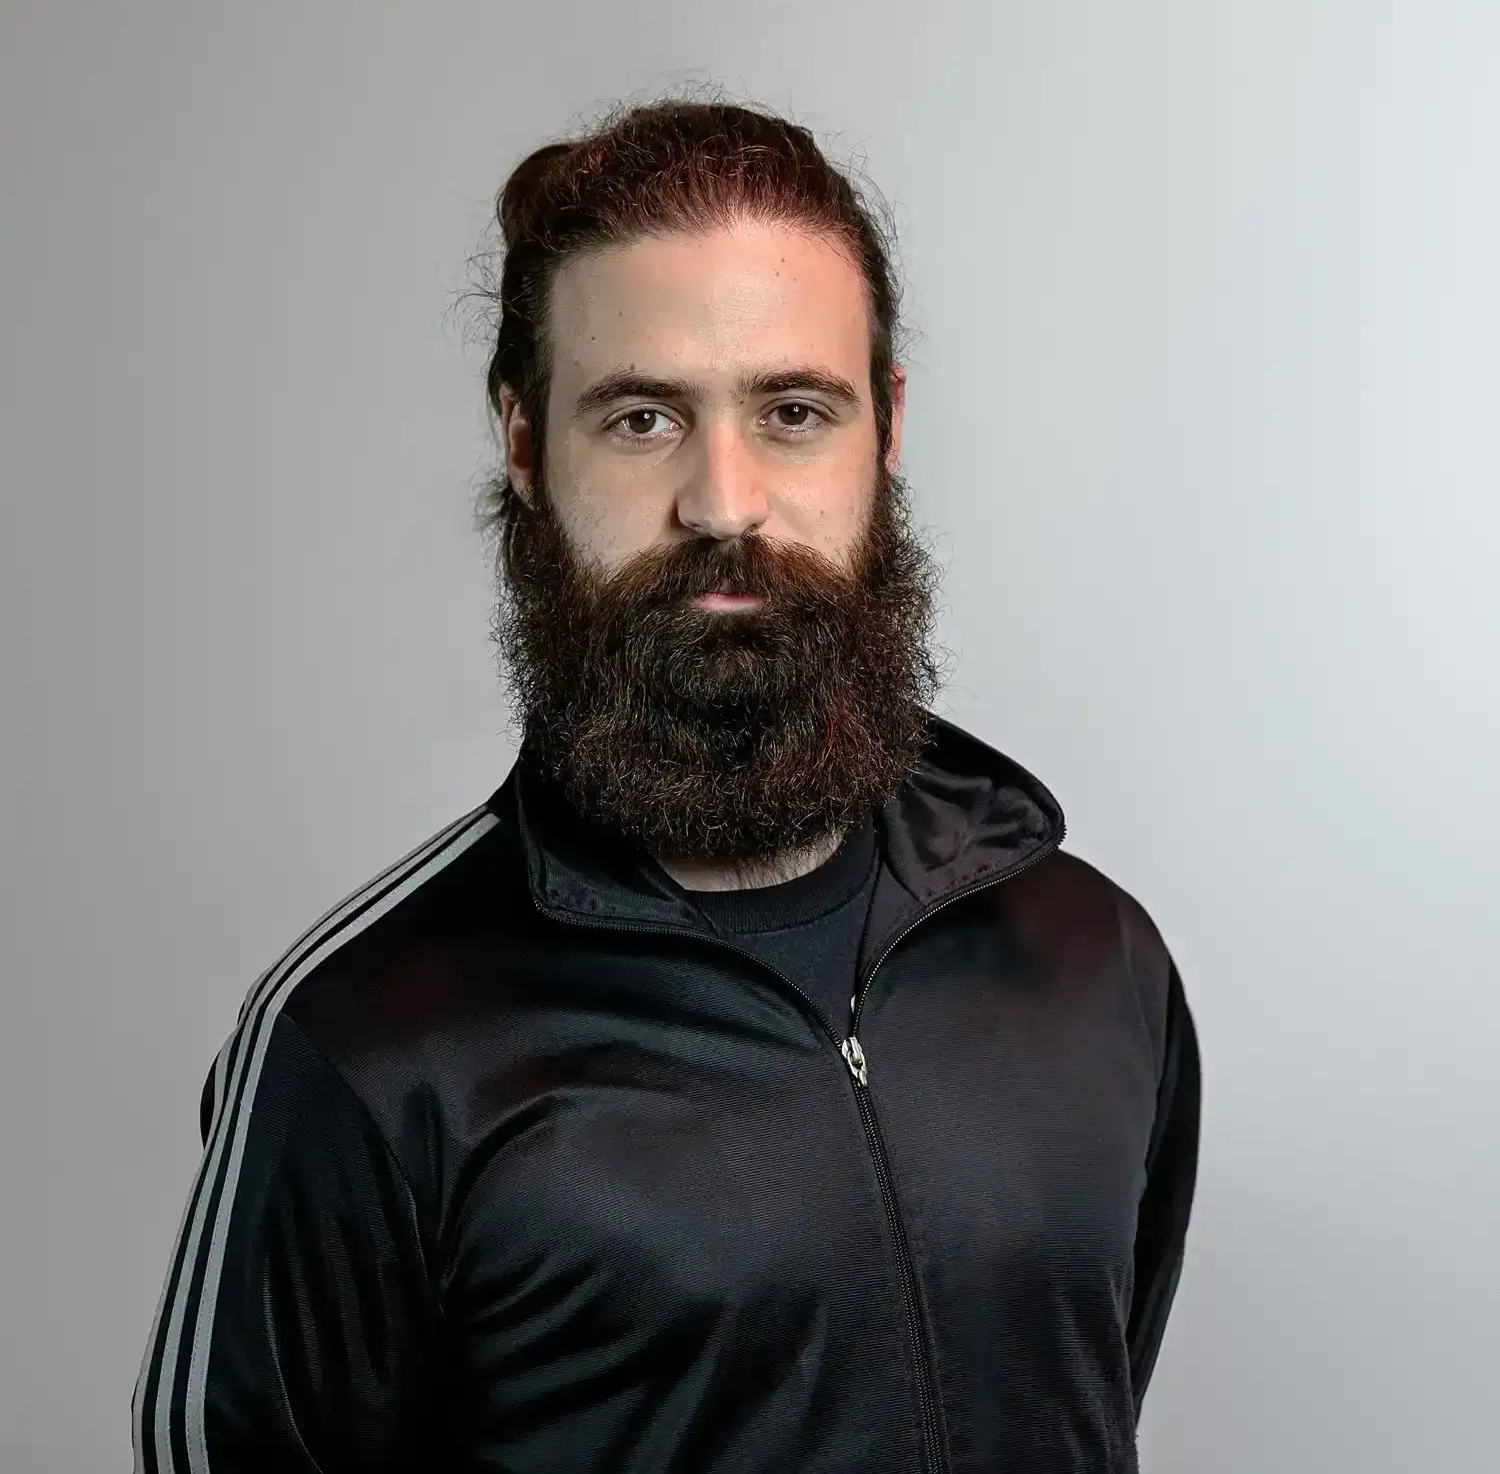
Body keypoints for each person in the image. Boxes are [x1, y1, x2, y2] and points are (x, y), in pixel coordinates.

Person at [132, 94, 1201, 1474]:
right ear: (525, 445)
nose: (724, 501)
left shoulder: (1093, 959)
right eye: (642, 419)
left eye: (794, 412)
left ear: (885, 427)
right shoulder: (363, 1048)